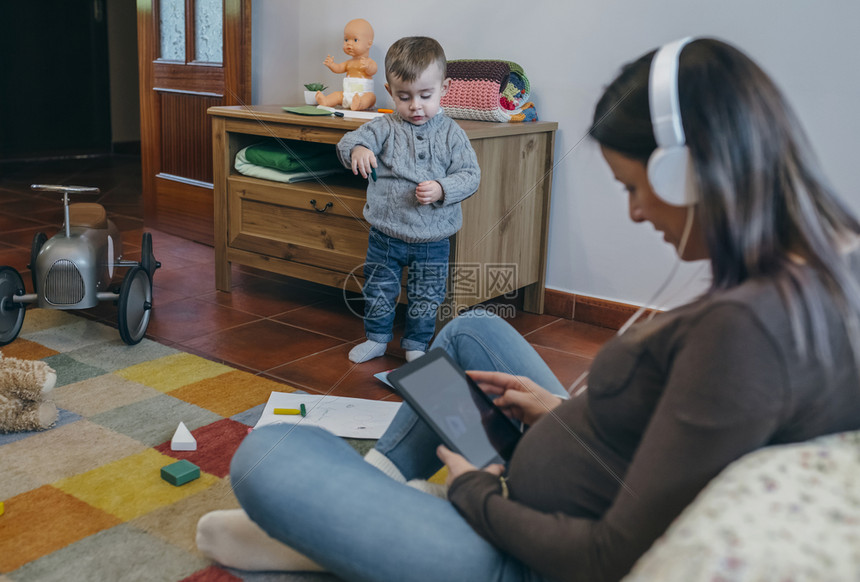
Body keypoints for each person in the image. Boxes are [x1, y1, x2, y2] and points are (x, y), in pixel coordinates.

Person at [196, 37, 860, 581]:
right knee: (472, 329)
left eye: (634, 188)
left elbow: (608, 555)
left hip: (533, 554)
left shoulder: (748, 332)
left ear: (684, 172)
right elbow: (682, 440)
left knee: (268, 455)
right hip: (575, 460)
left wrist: (475, 488)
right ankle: (380, 489)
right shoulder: (824, 265)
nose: (635, 211)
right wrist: (564, 414)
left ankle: (357, 528)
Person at [336, 36, 481, 364]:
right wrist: (358, 150)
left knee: (427, 296)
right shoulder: (384, 126)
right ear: (390, 91)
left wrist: (443, 189)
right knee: (379, 290)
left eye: (425, 96)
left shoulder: (451, 133)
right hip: (386, 234)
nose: (415, 106)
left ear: (444, 89)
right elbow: (351, 141)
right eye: (404, 97)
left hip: (432, 238)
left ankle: (416, 344)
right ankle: (376, 338)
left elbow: (470, 175)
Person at [315, 19, 378, 111]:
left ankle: (360, 104)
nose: (349, 43)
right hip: (347, 94)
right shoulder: (349, 62)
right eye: (346, 39)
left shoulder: (369, 62)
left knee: (370, 97)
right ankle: (326, 101)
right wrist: (332, 65)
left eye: (355, 40)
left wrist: (368, 67)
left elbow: (374, 70)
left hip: (363, 93)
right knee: (337, 95)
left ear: (369, 43)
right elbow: (339, 68)